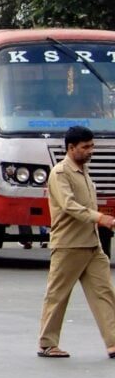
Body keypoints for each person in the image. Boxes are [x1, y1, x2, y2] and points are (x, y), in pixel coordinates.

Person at [37, 125, 115, 358]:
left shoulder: (83, 171)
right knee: (57, 295)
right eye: (86, 147)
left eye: (92, 146)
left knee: (104, 293)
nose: (91, 151)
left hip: (91, 244)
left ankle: (113, 342)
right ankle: (47, 343)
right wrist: (100, 218)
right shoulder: (60, 173)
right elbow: (69, 205)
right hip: (68, 244)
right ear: (71, 148)